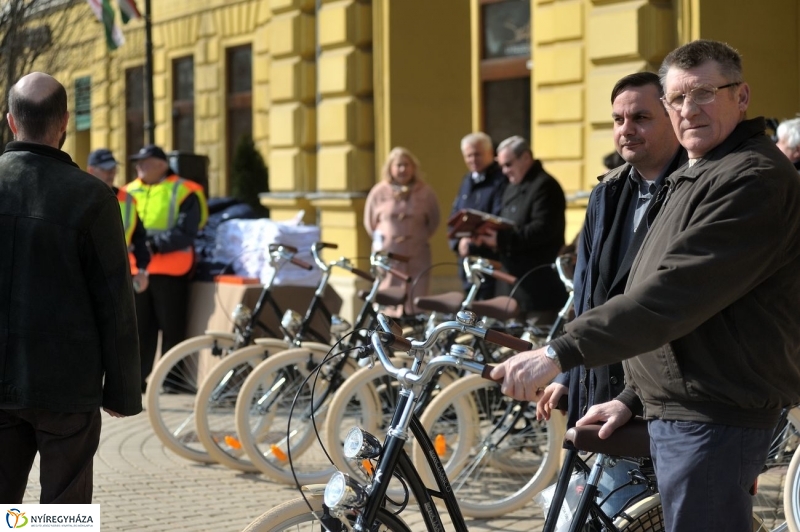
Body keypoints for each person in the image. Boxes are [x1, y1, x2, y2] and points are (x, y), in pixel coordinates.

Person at [491, 40, 800, 532]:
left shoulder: (752, 177)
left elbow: (672, 296)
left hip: (713, 416)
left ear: (741, 97)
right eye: (676, 98)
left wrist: (557, 352)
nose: (687, 110)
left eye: (703, 93)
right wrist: (632, 397)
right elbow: (652, 294)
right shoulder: (697, 174)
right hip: (678, 412)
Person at [537, 71, 685, 515]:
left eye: (641, 116)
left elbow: (680, 307)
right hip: (599, 390)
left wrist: (632, 398)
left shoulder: (691, 189)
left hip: (659, 398)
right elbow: (587, 296)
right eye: (618, 119)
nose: (627, 129)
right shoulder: (608, 191)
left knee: (646, 514)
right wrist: (568, 371)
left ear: (671, 118)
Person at [0, 72, 141, 503]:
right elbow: (115, 299)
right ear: (64, 123)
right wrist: (121, 389)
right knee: (64, 512)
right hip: (67, 385)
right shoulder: (93, 197)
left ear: (11, 121)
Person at [123, 144, 208, 392]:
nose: (139, 166)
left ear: (162, 164)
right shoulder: (127, 191)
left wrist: (152, 246)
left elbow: (187, 230)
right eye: (137, 162)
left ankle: (172, 382)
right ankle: (136, 381)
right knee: (140, 329)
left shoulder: (184, 190)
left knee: (172, 328)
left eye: (145, 161)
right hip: (137, 271)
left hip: (170, 270)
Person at [472, 135, 567, 323]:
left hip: (538, 288)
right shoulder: (511, 186)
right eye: (501, 166)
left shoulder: (545, 186)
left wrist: (500, 239)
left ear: (525, 158)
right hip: (512, 286)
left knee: (534, 345)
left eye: (508, 164)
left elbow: (542, 230)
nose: (504, 171)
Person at [363, 146, 440, 315]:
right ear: (390, 168)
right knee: (388, 305)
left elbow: (434, 221)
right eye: (398, 165)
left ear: (413, 167)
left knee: (416, 302)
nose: (403, 169)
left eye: (406, 165)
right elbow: (370, 223)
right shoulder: (378, 192)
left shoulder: (425, 192)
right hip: (388, 258)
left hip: (417, 256)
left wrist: (417, 239)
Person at [448, 132, 507, 299]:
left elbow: (497, 217)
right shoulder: (467, 180)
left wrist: (473, 241)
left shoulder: (500, 180)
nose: (473, 159)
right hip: (466, 261)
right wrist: (457, 242)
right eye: (468, 155)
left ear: (490, 153)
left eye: (477, 154)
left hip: (488, 259)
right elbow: (455, 215)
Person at [87, 148, 150, 292]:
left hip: (119, 273)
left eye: (114, 168)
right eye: (106, 169)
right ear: (91, 170)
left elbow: (139, 238)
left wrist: (142, 270)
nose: (111, 173)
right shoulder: (79, 197)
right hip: (87, 273)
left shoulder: (128, 199)